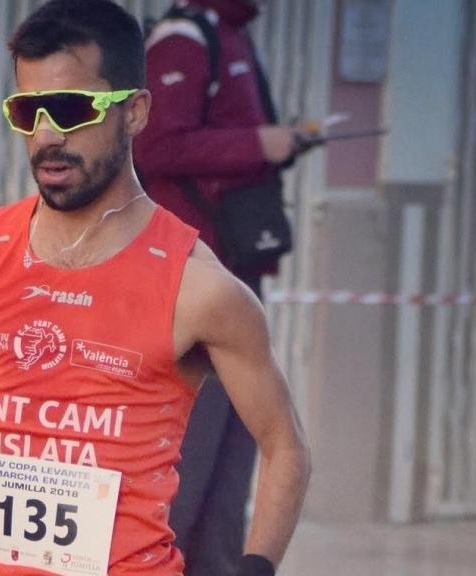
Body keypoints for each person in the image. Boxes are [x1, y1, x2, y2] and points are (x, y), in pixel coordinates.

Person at [0, 1, 309, 574]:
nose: (47, 136)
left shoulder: (201, 290)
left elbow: (285, 445)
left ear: (136, 112)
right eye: (29, 111)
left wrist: (256, 565)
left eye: (71, 110)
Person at [132, 2, 305, 574]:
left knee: (234, 454)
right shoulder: (185, 37)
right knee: (192, 454)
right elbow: (153, 146)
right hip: (192, 272)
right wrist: (258, 145)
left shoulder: (234, 35)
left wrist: (282, 142)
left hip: (236, 269)